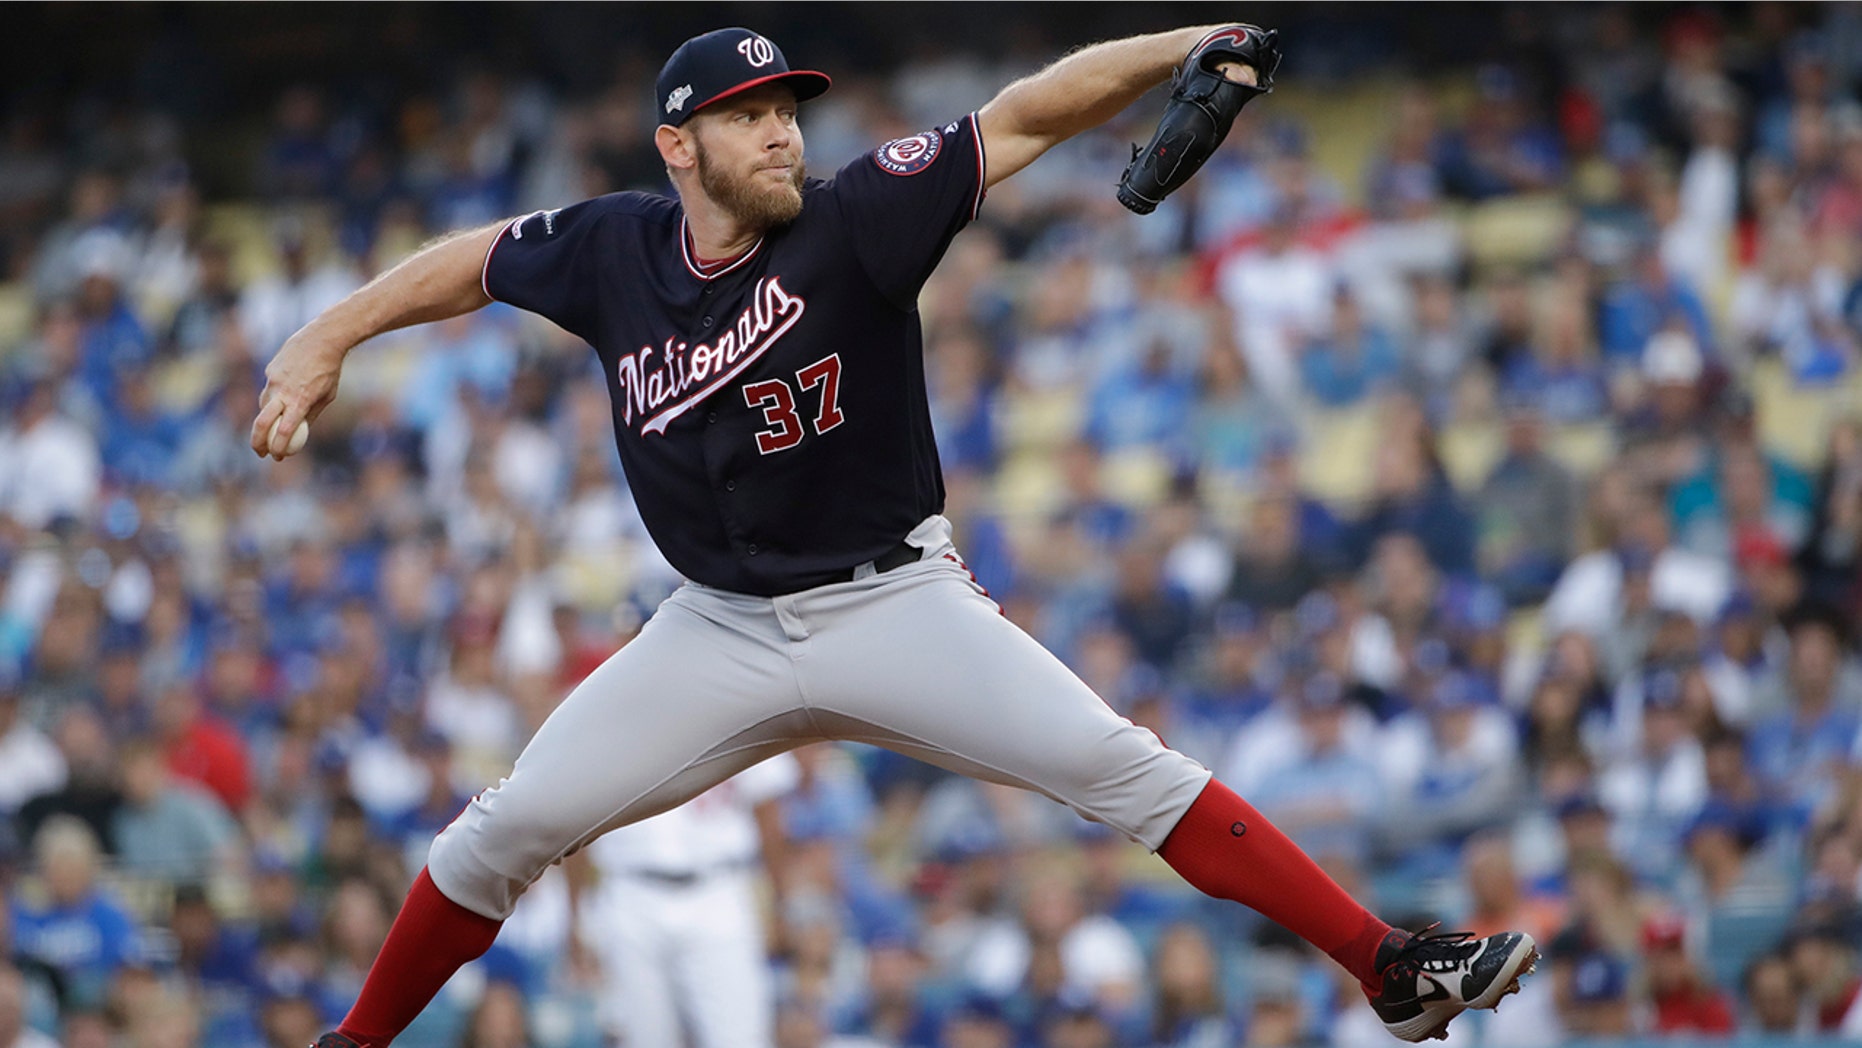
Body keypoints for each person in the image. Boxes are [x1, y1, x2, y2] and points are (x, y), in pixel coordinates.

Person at [252, 26, 1537, 1048]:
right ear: (677, 146)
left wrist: (1184, 44)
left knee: (1124, 768)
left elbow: (1026, 113)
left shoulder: (856, 217)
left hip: (890, 605)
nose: (779, 130)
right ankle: (356, 1043)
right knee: (497, 832)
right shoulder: (611, 249)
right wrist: (327, 335)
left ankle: (1388, 963)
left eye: (786, 109)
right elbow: (475, 261)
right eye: (747, 115)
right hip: (714, 627)